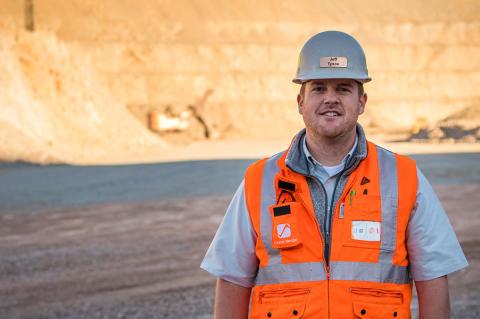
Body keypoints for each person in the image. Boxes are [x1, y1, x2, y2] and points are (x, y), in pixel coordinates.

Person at [200, 30, 468, 319]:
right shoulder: (259, 180)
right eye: (318, 88)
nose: (330, 99)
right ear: (300, 102)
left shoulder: (404, 178)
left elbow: (434, 277)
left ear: (361, 102)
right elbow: (231, 279)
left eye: (342, 88)